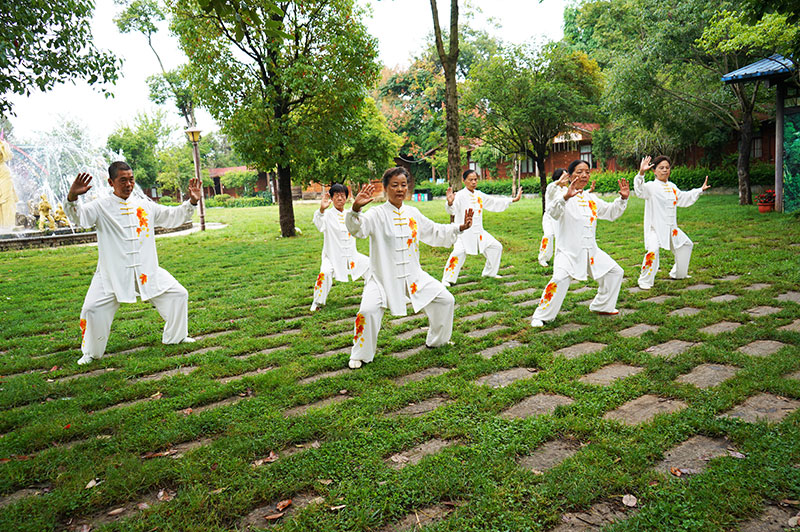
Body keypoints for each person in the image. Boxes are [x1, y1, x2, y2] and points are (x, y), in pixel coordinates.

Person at [65, 162, 201, 365]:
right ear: (111, 182)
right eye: (123, 180)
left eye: (131, 179)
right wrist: (72, 197)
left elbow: (171, 216)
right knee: (92, 309)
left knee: (178, 294)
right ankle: (91, 353)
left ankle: (176, 337)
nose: (128, 184)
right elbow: (80, 218)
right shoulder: (101, 207)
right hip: (111, 273)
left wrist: (191, 202)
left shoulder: (144, 205)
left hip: (147, 270)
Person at [345, 166, 473, 369]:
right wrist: (355, 210)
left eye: (403, 185)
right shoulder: (376, 214)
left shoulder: (413, 212)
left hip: (413, 277)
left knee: (446, 300)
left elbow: (434, 230)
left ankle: (438, 340)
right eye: (394, 185)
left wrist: (459, 227)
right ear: (386, 188)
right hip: (382, 278)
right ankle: (361, 354)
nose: (399, 189)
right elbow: (358, 229)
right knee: (367, 311)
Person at [530, 159, 629, 327]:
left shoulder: (591, 198)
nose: (584, 175)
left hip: (591, 251)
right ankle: (541, 315)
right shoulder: (561, 194)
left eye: (587, 172)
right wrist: (566, 196)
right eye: (579, 172)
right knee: (559, 280)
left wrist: (622, 199)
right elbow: (552, 212)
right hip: (568, 252)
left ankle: (602, 305)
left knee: (615, 272)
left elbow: (610, 213)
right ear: (570, 175)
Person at [634, 155, 710, 289]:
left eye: (667, 168)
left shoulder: (672, 186)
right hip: (655, 228)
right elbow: (639, 191)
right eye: (661, 168)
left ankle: (678, 273)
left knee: (686, 245)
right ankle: (645, 281)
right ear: (654, 171)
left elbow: (683, 198)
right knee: (653, 251)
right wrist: (641, 173)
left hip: (671, 229)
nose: (665, 170)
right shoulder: (651, 187)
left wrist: (699, 190)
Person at [441, 169, 522, 286]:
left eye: (475, 180)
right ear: (464, 181)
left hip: (479, 232)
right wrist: (449, 203)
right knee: (458, 252)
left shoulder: (479, 195)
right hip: (462, 232)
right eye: (470, 180)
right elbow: (452, 211)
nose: (473, 182)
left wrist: (513, 200)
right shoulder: (459, 195)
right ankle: (447, 279)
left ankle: (490, 273)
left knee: (496, 247)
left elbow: (494, 202)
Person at [310, 183, 369, 311]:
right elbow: (319, 223)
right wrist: (321, 210)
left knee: (371, 266)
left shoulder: (349, 214)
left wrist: (358, 209)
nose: (340, 198)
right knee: (324, 273)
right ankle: (317, 302)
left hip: (352, 256)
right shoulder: (327, 215)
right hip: (332, 256)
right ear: (331, 198)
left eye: (342, 195)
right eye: (336, 196)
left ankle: (369, 296)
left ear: (346, 198)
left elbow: (360, 224)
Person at [538, 168, 569, 267]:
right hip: (549, 217)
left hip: (560, 218)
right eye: (563, 176)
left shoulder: (565, 190)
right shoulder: (551, 187)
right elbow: (551, 190)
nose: (566, 179)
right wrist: (559, 182)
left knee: (562, 238)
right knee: (548, 235)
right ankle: (543, 258)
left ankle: (562, 259)